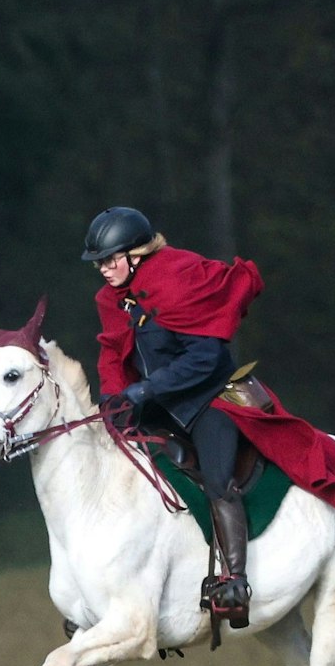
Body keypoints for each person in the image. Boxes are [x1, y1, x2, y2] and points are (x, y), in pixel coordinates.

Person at [84, 205, 263, 628]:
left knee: (218, 482)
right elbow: (112, 353)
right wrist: (113, 398)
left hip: (209, 399)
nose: (105, 270)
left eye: (111, 260)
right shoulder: (111, 296)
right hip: (159, 405)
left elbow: (205, 359)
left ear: (138, 254)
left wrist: (143, 390)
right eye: (99, 263)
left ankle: (234, 582)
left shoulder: (175, 276)